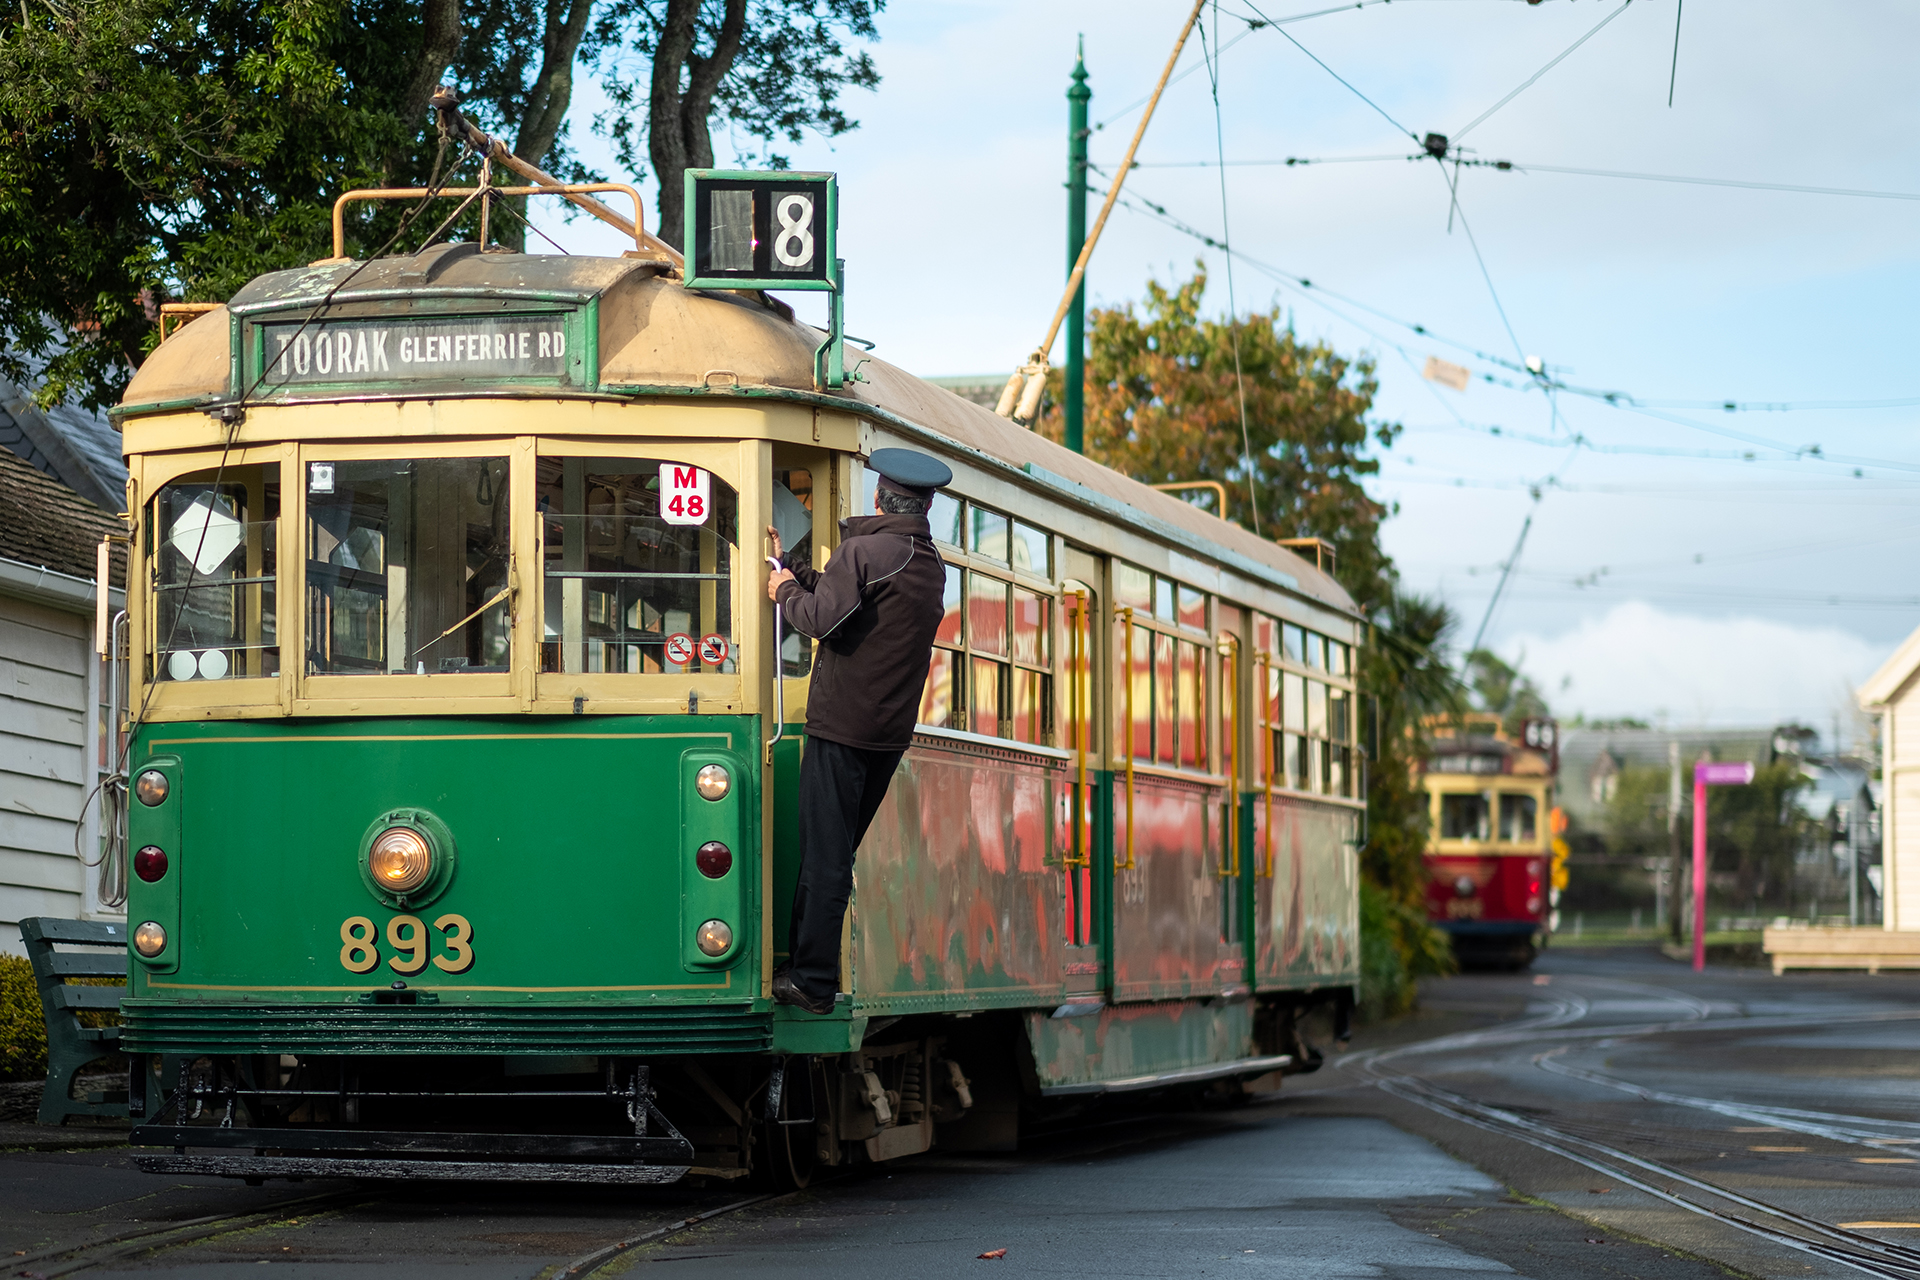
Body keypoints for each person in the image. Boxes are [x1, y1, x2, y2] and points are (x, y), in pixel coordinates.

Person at [765, 448, 952, 1014]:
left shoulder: (865, 551)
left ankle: (812, 981)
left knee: (824, 857)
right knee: (835, 852)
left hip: (841, 727)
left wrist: (781, 592)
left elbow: (822, 619)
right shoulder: (927, 562)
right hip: (886, 735)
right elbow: (849, 603)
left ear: (878, 496)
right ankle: (803, 966)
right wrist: (794, 568)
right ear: (925, 503)